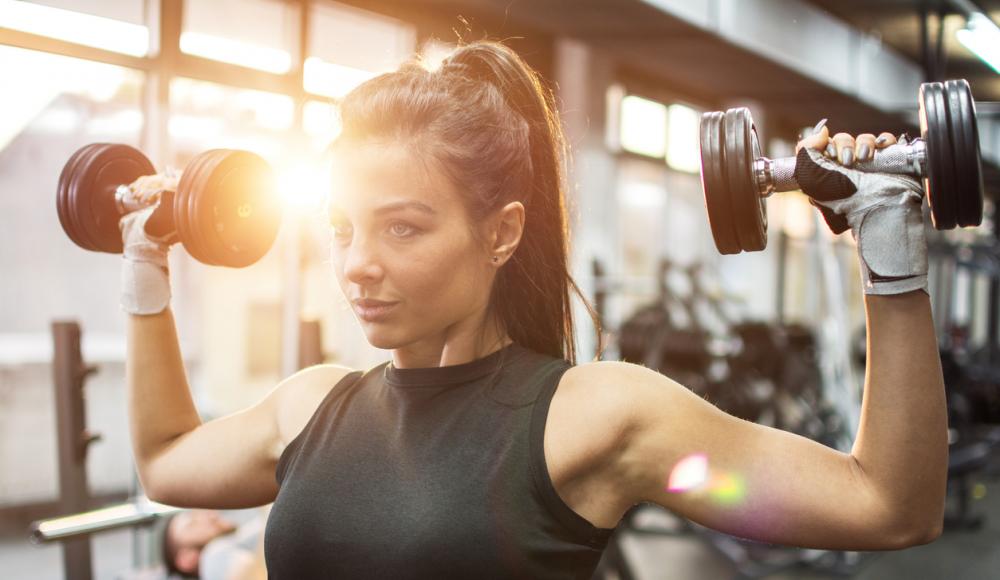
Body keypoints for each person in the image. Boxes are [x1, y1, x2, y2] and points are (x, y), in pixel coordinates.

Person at [118, 39, 947, 579]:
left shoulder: (590, 416)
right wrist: (145, 259)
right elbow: (165, 460)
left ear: (502, 232)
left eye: (403, 227)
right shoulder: (312, 406)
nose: (358, 264)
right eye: (341, 229)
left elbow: (887, 505)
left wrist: (888, 247)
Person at [157, 508, 268, 579]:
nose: (205, 515)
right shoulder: (211, 558)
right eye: (193, 523)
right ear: (188, 559)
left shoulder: (235, 542)